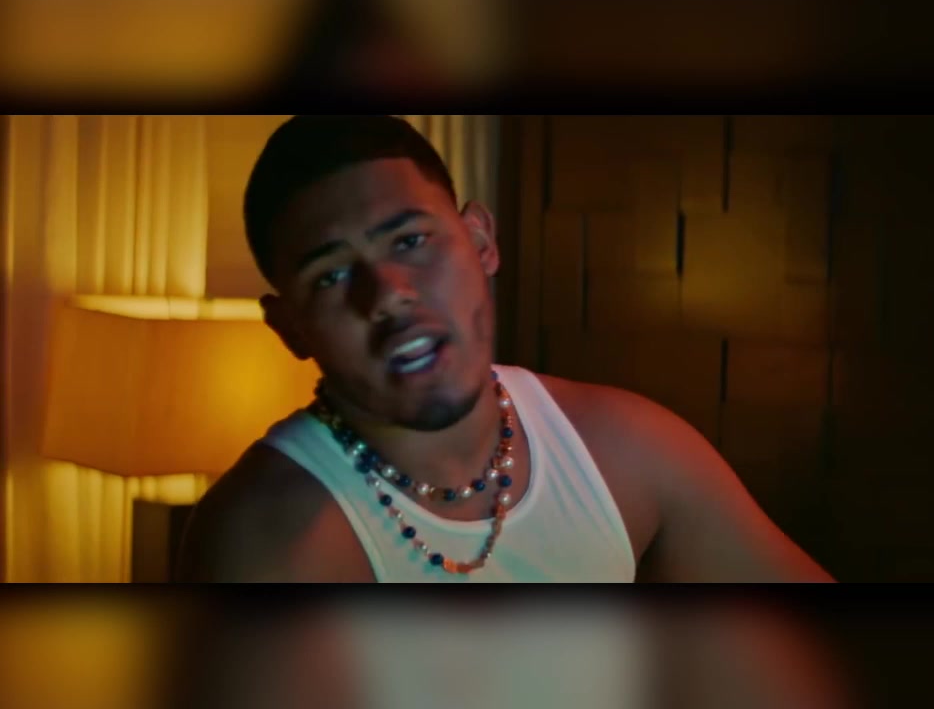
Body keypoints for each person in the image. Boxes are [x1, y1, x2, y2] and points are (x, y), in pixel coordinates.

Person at [177, 115, 833, 583]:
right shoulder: (265, 535)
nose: (389, 294)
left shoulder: (624, 446)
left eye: (411, 241)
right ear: (289, 327)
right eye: (333, 275)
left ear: (481, 241)